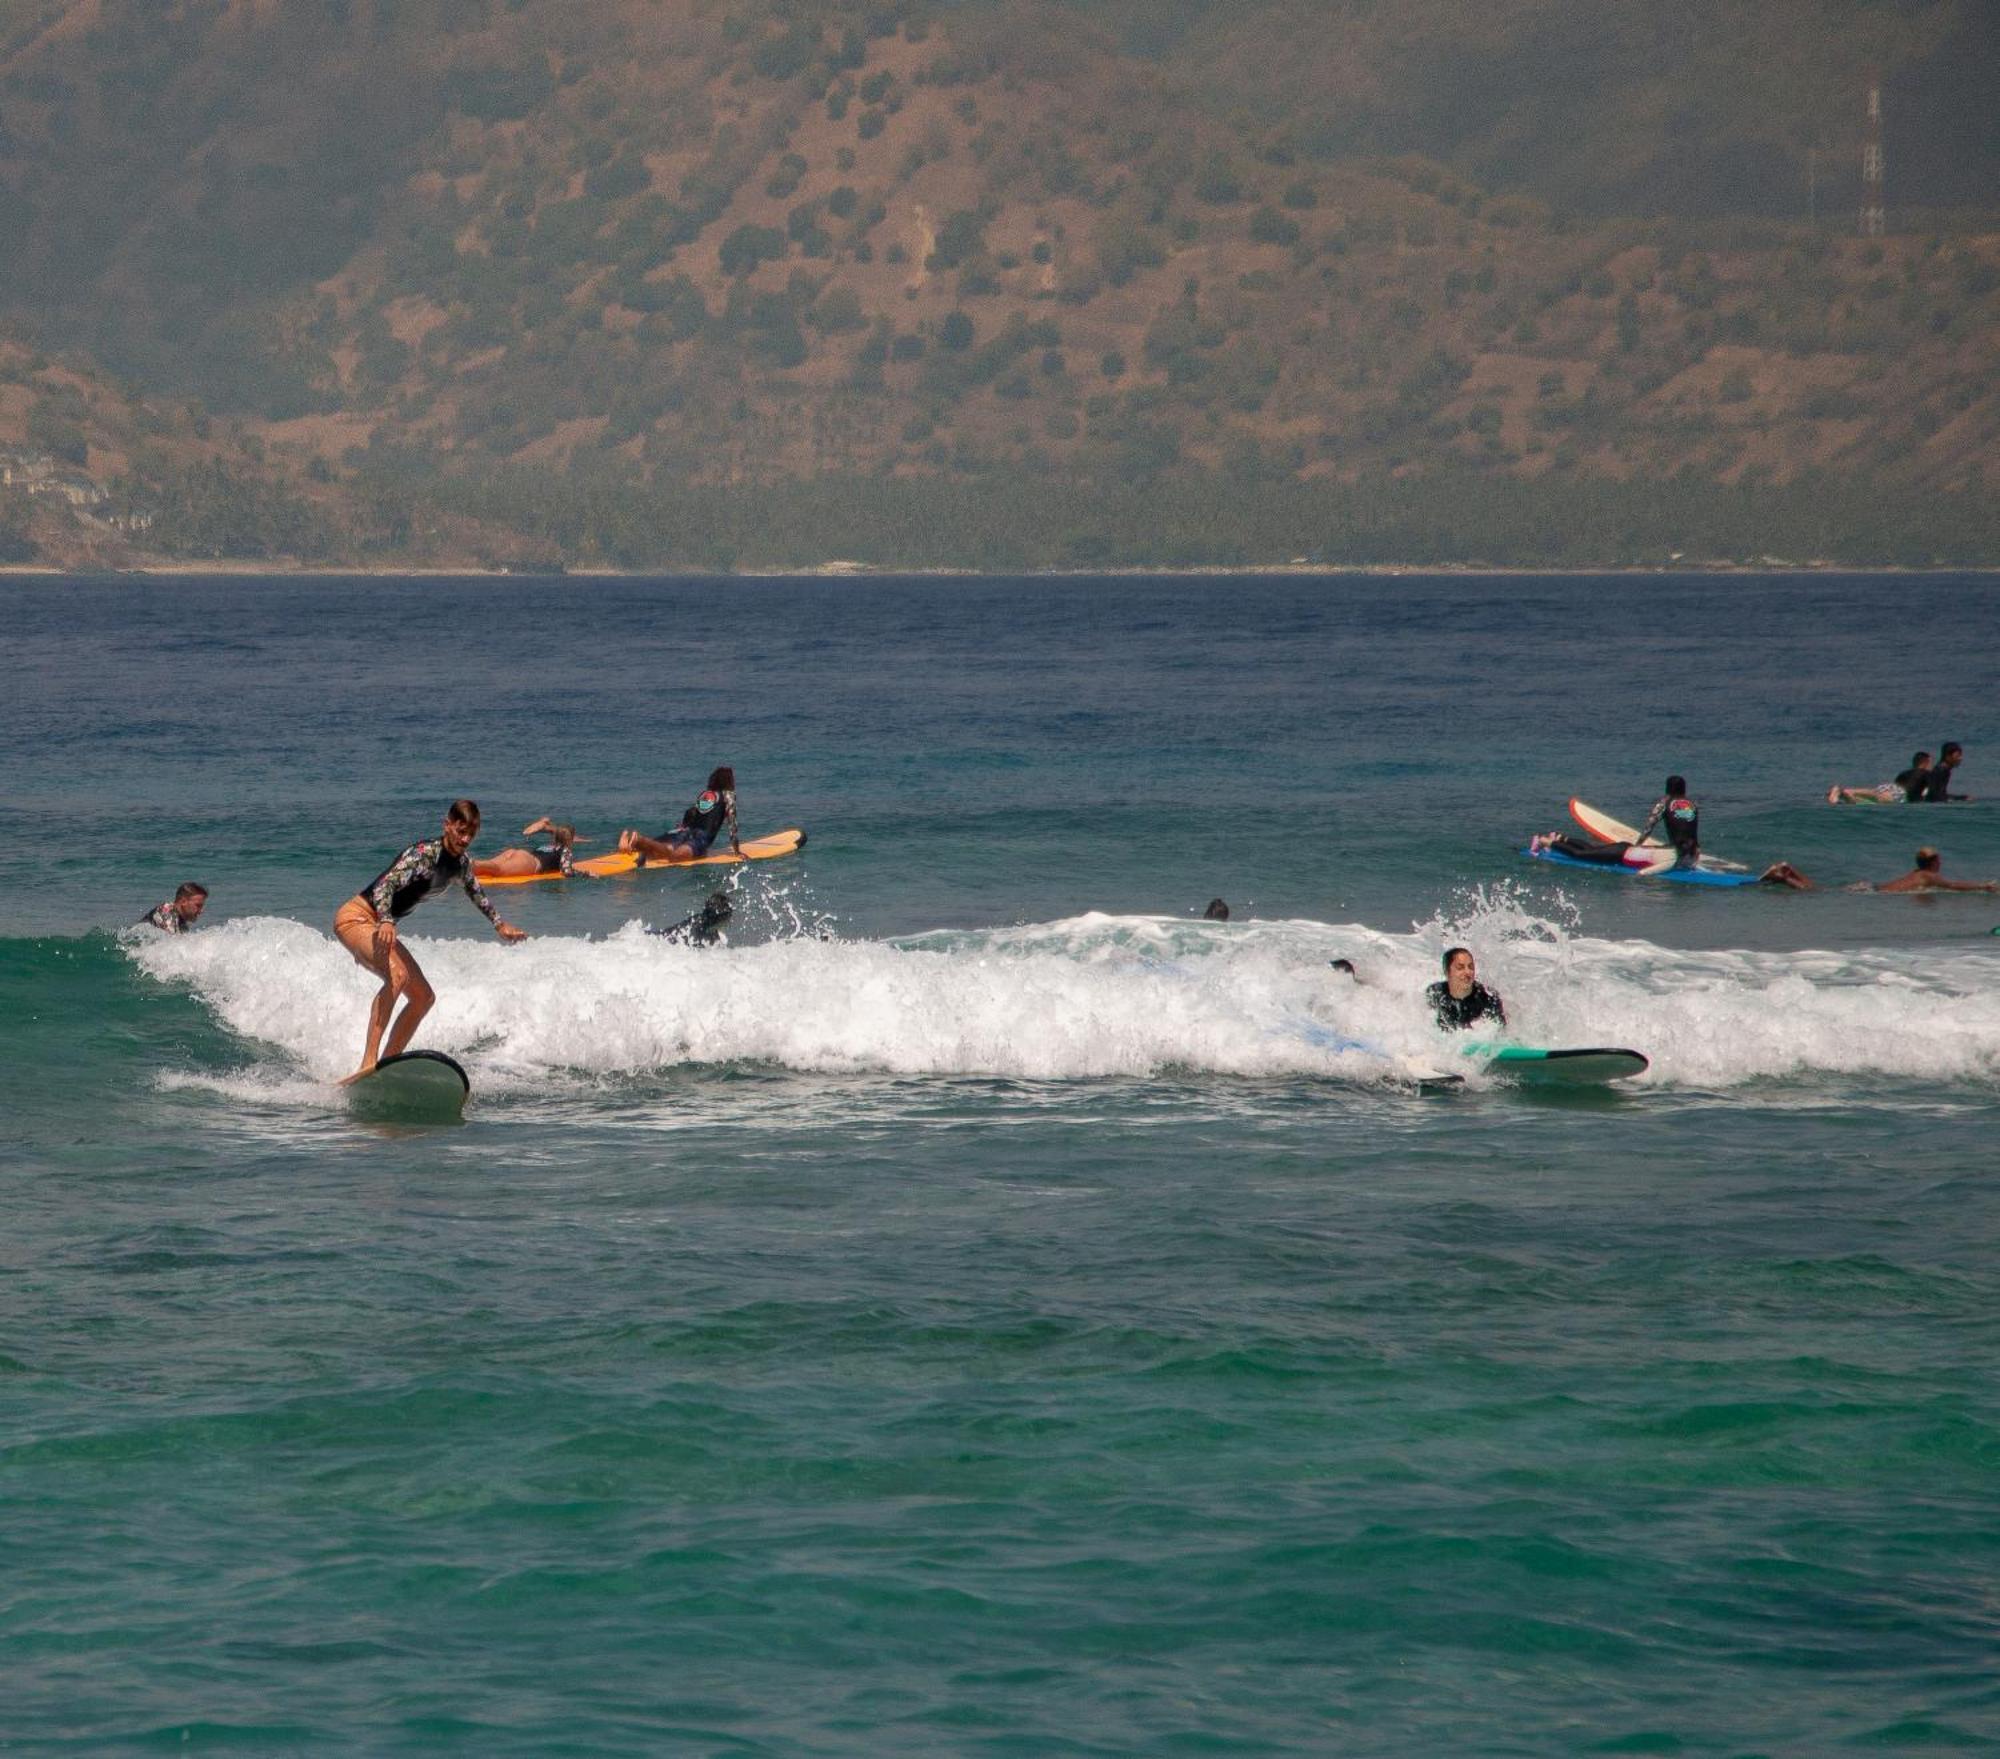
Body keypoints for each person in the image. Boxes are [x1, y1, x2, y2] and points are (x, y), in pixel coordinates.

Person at [332, 799, 526, 1083]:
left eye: (471, 834)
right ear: (446, 825)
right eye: (460, 831)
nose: (465, 839)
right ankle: (367, 1063)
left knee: (424, 997)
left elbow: (476, 892)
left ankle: (386, 1066)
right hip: (356, 919)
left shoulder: (460, 864)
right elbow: (387, 884)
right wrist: (386, 918)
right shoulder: (423, 854)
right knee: (397, 977)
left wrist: (500, 924)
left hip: (379, 925)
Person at [619, 767, 741, 866]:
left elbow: (691, 812)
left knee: (662, 850)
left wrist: (682, 827)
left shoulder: (705, 794)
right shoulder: (728, 795)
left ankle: (634, 842)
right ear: (728, 781)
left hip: (684, 830)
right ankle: (640, 840)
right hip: (701, 837)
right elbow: (732, 824)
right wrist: (737, 851)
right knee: (675, 856)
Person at [473, 817, 581, 881]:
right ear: (570, 839)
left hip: (519, 853)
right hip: (530, 863)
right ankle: (470, 863)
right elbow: (567, 871)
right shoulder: (565, 851)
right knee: (497, 869)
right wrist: (585, 874)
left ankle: (464, 866)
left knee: (489, 865)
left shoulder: (548, 846)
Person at [1428, 946, 1505, 1031]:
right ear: (1447, 972)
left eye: (1471, 967)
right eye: (1460, 968)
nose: (1467, 972)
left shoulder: (1488, 998)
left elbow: (1500, 1035)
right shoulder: (1435, 993)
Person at [1636, 776, 1701, 870]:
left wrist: (1637, 845)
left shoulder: (1664, 803)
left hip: (1675, 854)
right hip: (1694, 853)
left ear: (1668, 788)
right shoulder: (1692, 804)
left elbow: (1649, 827)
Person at [1875, 846, 1999, 894]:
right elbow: (1953, 885)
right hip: (1884, 893)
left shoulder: (1916, 873)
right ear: (1934, 862)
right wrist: (1983, 886)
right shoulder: (1928, 876)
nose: (1941, 862)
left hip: (1879, 889)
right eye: (1939, 860)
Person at [1828, 752, 1931, 806]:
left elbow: (1896, 784)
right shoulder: (1926, 774)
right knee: (1879, 797)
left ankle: (1846, 795)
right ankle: (1845, 791)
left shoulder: (1904, 773)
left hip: (1890, 787)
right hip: (1900, 793)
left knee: (1873, 795)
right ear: (1926, 762)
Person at [652, 890, 734, 945]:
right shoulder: (698, 925)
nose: (730, 919)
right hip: (657, 941)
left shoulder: (710, 929)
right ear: (720, 916)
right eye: (728, 915)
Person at [142, 882, 208, 934]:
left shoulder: (182, 923)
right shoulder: (166, 911)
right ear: (183, 902)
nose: (201, 910)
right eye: (198, 905)